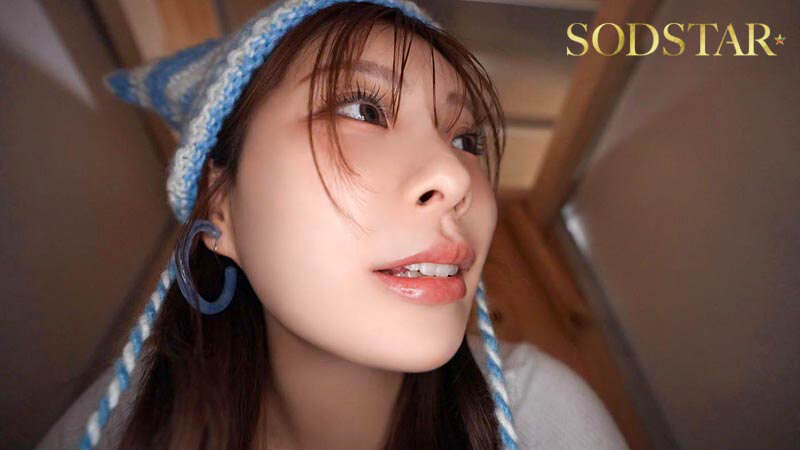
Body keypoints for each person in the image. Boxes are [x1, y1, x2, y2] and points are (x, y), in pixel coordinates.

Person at [38, 0, 628, 448]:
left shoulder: (544, 415)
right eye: (363, 110)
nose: (454, 178)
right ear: (219, 204)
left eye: (466, 140)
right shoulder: (124, 422)